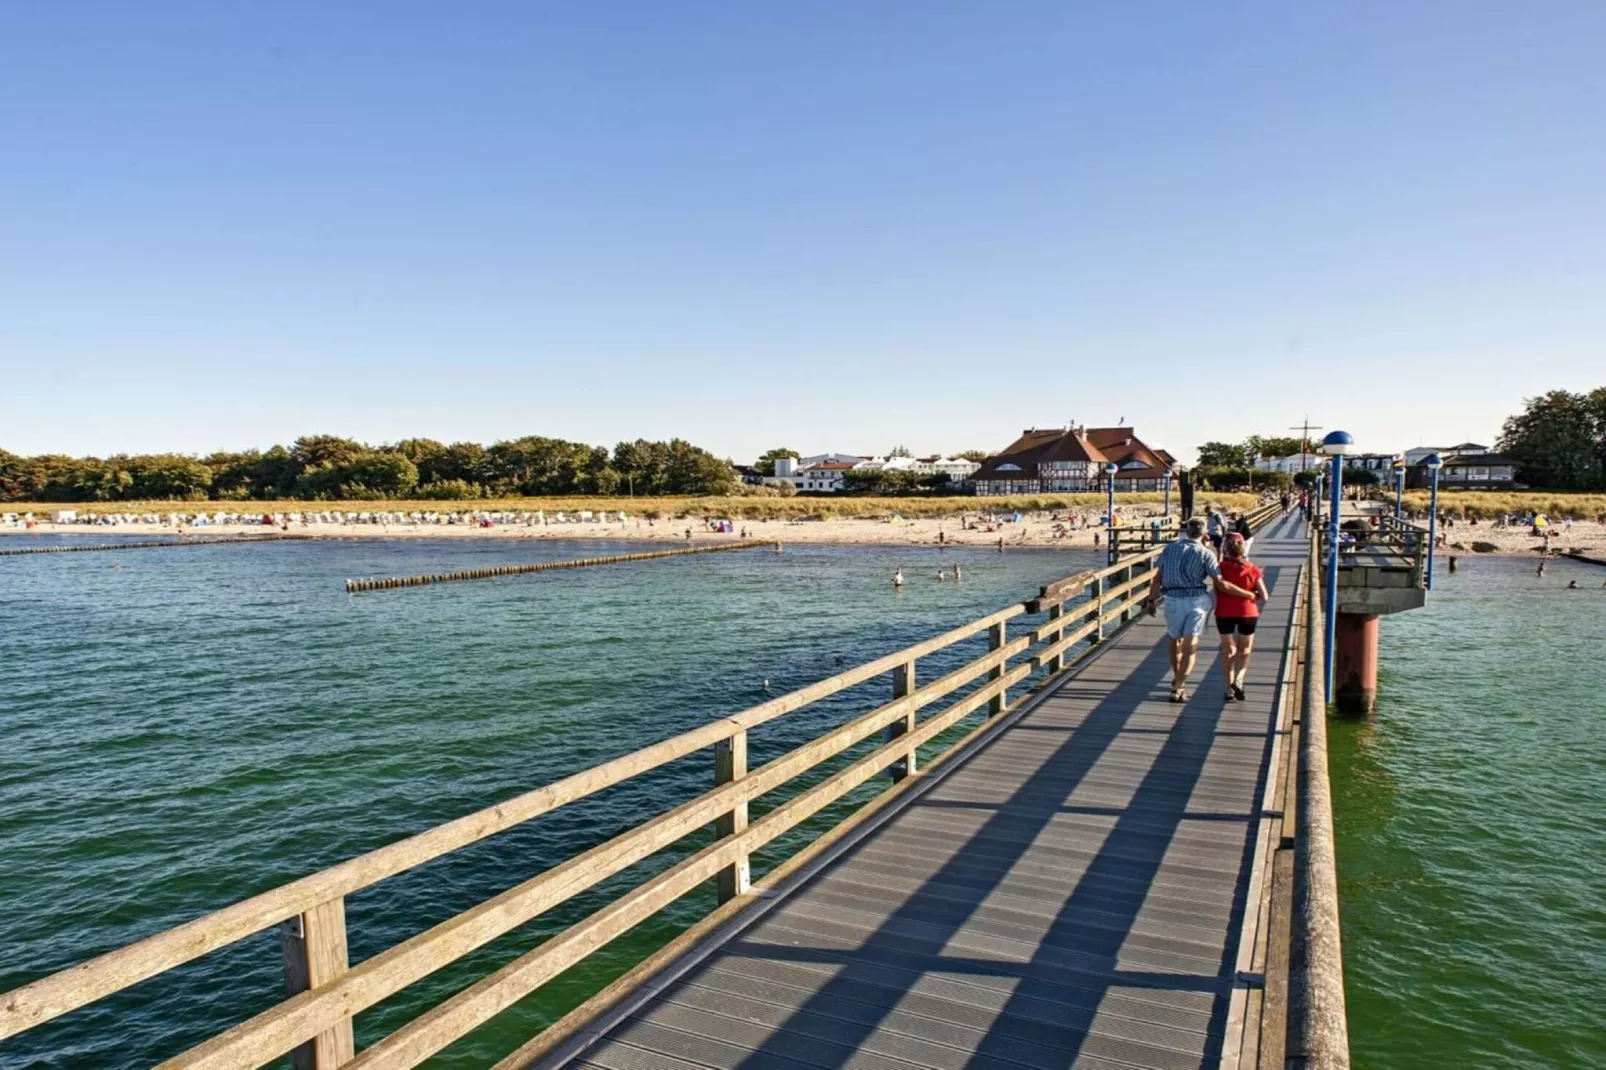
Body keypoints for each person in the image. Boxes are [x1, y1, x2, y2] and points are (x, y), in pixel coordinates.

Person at [1143, 518, 1260, 703]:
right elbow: (1220, 583)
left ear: (1186, 531)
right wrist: (1248, 594)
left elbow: (1157, 577)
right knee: (1191, 646)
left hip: (1172, 599)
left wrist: (1150, 600)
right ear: (1204, 532)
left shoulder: (1169, 548)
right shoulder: (1206, 553)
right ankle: (1179, 686)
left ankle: (1177, 679)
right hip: (1196, 601)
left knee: (1175, 639)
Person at [1214, 533, 1270, 701]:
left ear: (1226, 549)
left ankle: (1230, 688)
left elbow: (1219, 588)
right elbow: (1265, 596)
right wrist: (1253, 596)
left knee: (1228, 650)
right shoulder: (1253, 569)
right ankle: (1239, 680)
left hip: (1224, 612)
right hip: (1248, 612)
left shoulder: (1220, 567)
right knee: (1244, 650)